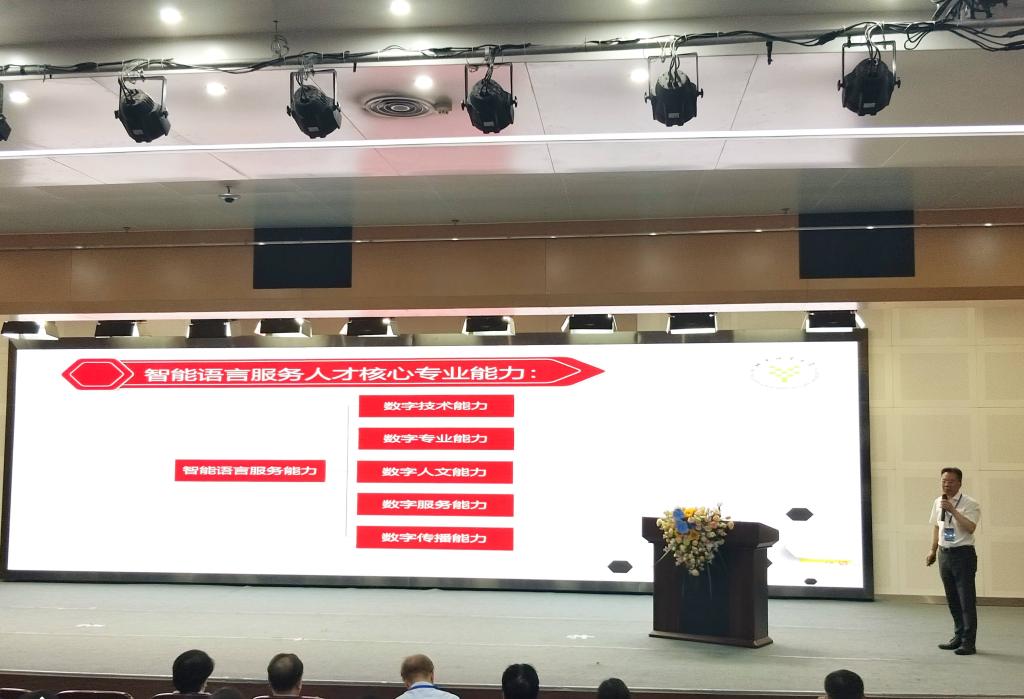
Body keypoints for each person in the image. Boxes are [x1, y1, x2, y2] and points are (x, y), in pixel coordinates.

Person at [925, 466, 982, 656]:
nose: (946, 485)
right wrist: (933, 550)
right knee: (952, 599)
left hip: (963, 555)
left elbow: (970, 527)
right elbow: (936, 527)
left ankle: (968, 642)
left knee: (966, 600)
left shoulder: (970, 503)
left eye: (950, 481)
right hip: (944, 554)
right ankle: (958, 636)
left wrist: (953, 510)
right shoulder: (938, 501)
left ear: (959, 483)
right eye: (944, 481)